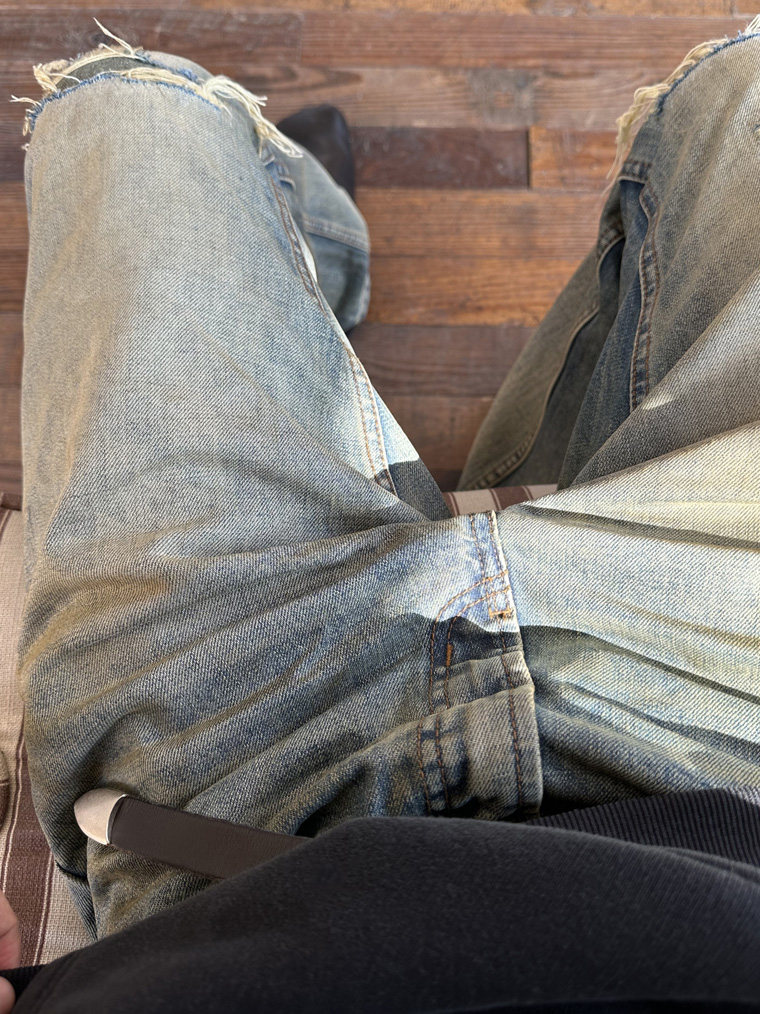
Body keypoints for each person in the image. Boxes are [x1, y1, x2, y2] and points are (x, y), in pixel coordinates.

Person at [1, 16, 760, 1011]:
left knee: (133, 128)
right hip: (721, 755)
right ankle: (302, 267)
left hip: (220, 804)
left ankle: (310, 255)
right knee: (743, 99)